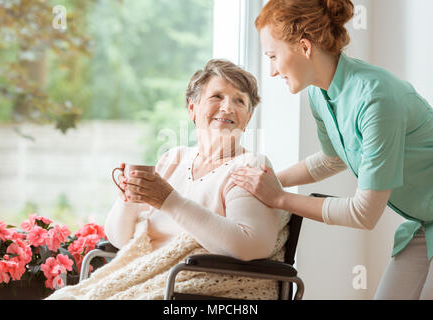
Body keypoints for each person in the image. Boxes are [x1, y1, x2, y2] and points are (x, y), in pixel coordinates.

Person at [231, 0, 433, 299]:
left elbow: (364, 213)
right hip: (424, 221)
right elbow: (332, 159)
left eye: (273, 56)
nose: (272, 71)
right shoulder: (319, 94)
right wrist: (268, 178)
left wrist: (278, 197)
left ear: (304, 47)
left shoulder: (376, 99)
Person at [46, 59, 289, 300]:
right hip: (147, 281)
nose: (227, 107)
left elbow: (250, 245)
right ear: (192, 108)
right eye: (217, 96)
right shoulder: (174, 159)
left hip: (192, 291)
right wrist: (128, 198)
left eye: (240, 101)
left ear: (247, 118)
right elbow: (120, 238)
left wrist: (169, 201)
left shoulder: (250, 166)